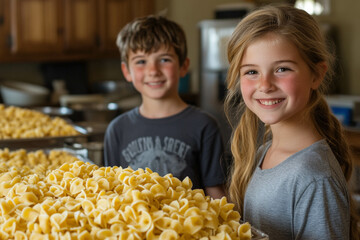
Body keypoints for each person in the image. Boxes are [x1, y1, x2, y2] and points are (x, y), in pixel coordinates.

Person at [224, 4, 360, 240]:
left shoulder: (314, 177)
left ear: (316, 75)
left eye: (282, 69)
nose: (265, 85)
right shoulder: (265, 152)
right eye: (251, 72)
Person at [104, 15, 226, 199]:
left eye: (164, 59)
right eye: (141, 61)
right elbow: (109, 192)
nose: (153, 71)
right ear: (126, 71)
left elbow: (216, 194)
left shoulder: (204, 125)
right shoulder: (117, 129)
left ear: (183, 66)